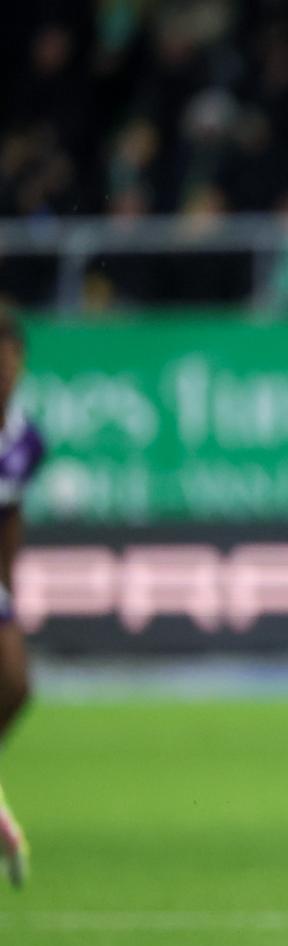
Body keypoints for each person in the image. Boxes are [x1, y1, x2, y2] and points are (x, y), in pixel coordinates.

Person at [0, 309, 46, 889]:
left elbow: (10, 514)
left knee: (16, 685)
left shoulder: (26, 439)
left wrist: (8, 588)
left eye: (9, 362)